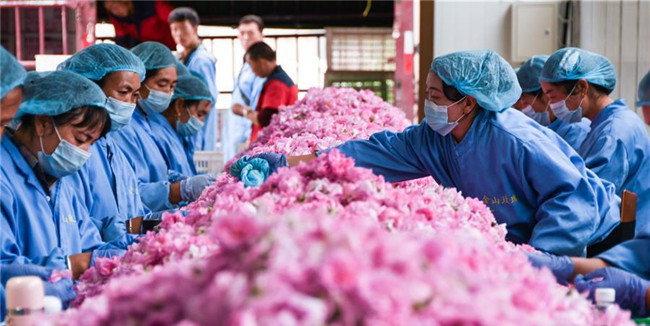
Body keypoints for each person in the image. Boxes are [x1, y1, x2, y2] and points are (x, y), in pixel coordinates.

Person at [232, 50, 622, 257]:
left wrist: (543, 260)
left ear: (468, 102)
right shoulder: (433, 138)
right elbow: (369, 153)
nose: (428, 105)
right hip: (520, 243)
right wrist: (288, 163)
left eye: (435, 96)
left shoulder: (514, 140)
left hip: (588, 238)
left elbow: (572, 197)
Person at [1, 70, 124, 285]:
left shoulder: (59, 182)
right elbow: (5, 269)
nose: (85, 153)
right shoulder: (5, 177)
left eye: (91, 144)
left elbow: (89, 244)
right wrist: (72, 268)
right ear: (43, 123)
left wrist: (132, 253)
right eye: (80, 139)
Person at [540, 47, 650, 232]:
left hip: (629, 237)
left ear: (581, 87)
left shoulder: (613, 133)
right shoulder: (605, 125)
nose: (552, 106)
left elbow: (590, 200)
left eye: (552, 97)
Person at [57, 43, 152, 242]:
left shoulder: (114, 151)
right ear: (91, 88)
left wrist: (169, 223)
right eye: (123, 92)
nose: (130, 103)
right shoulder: (73, 153)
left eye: (135, 95)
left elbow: (133, 218)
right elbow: (78, 229)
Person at [112, 41, 216, 212]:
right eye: (161, 84)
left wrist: (179, 182)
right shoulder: (124, 127)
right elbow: (130, 194)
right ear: (139, 82)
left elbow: (160, 173)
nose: (168, 92)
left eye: (172, 86)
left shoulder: (147, 123)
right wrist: (180, 190)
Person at [514, 55, 591, 152]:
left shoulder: (574, 129)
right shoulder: (552, 127)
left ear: (546, 95)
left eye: (526, 102)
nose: (524, 109)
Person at [168, 7, 218, 152]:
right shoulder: (186, 57)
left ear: (195, 29)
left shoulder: (201, 60)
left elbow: (207, 98)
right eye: (174, 29)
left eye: (183, 29)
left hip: (197, 125)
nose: (179, 34)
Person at [222, 15, 267, 161]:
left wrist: (251, 136)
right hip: (236, 133)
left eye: (251, 33)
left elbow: (258, 104)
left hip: (247, 135)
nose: (246, 37)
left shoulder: (261, 65)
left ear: (262, 35)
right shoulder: (247, 63)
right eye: (242, 33)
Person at [151, 72, 213, 176]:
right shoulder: (158, 135)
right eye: (199, 114)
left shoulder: (178, 136)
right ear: (179, 105)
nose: (201, 122)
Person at [234, 41, 298, 143]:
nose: (252, 71)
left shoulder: (277, 84)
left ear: (261, 62)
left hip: (271, 143)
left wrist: (243, 111)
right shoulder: (276, 80)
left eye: (251, 65)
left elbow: (265, 119)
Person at [103, 0, 175, 50]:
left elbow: (175, 20)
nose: (114, 12)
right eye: (110, 10)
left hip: (172, 45)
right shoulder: (117, 18)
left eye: (114, 7)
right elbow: (121, 41)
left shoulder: (152, 4)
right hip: (150, 50)